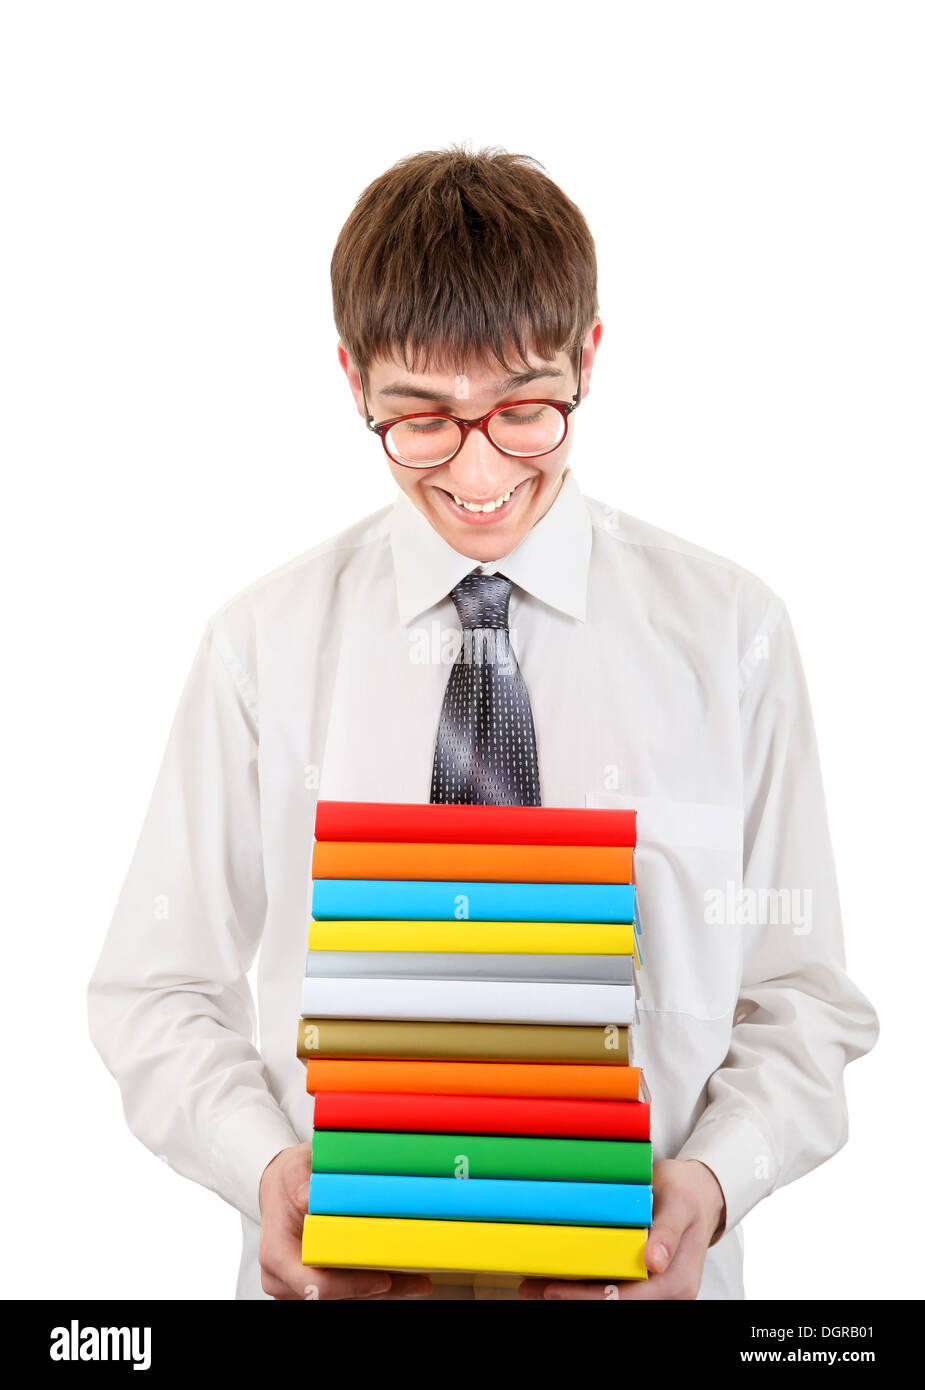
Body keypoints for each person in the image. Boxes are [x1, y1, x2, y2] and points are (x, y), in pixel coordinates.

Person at [88, 146, 878, 1301]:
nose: (475, 470)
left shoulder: (731, 633)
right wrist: (264, 1169)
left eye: (523, 412)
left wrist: (710, 1183)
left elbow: (801, 994)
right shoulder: (261, 644)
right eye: (420, 420)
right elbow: (155, 990)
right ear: (352, 380)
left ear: (589, 361)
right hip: (348, 1277)